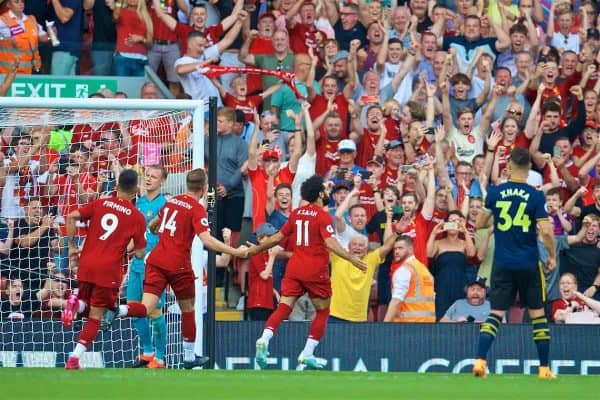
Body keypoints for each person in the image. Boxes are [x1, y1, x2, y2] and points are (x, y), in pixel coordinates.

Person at [116, 168, 249, 369]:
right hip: (178, 265)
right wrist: (234, 251)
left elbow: (154, 224)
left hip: (156, 261)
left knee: (145, 308)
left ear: (187, 184)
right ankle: (188, 357)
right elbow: (207, 240)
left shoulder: (172, 202)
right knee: (188, 309)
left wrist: (154, 229)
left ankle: (115, 310)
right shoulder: (197, 209)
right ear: (203, 188)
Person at [247, 175, 367, 369]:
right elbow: (330, 242)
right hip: (315, 270)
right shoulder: (322, 216)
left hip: (294, 268)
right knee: (323, 310)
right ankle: (307, 353)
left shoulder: (296, 214)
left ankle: (264, 338)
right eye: (325, 191)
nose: (327, 193)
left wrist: (255, 248)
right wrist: (351, 258)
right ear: (319, 194)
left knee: (284, 307)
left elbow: (277, 237)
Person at [472, 147, 557, 379]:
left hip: (502, 262)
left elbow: (479, 222)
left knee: (496, 313)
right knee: (538, 314)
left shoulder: (496, 192)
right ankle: (544, 369)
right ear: (529, 168)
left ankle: (480, 361)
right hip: (528, 262)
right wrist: (552, 256)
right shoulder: (536, 195)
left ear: (508, 166)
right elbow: (547, 232)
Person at [62, 169, 148, 370]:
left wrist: (72, 246)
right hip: (108, 271)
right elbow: (140, 253)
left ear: (116, 186)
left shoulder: (100, 203)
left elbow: (71, 216)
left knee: (88, 307)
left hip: (87, 264)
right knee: (96, 317)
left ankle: (77, 304)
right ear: (136, 189)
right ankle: (74, 359)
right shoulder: (137, 216)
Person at [126, 165, 168, 369]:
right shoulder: (139, 204)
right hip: (136, 265)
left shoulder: (166, 205)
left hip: (155, 268)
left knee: (154, 312)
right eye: (147, 175)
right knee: (134, 309)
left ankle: (160, 357)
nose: (149, 179)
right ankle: (148, 351)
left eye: (154, 176)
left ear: (163, 182)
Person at [383, 235, 436, 323]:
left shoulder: (404, 270)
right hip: (428, 324)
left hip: (408, 325)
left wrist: (384, 325)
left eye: (400, 248)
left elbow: (396, 300)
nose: (396, 251)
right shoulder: (424, 270)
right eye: (395, 249)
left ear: (411, 249)